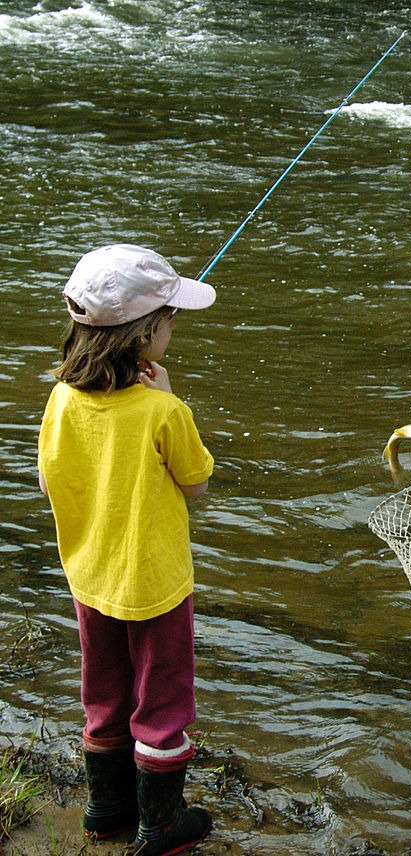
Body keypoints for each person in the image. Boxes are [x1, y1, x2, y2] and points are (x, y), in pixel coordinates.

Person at [37, 244, 216, 853]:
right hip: (157, 585)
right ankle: (161, 826)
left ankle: (105, 810)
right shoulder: (164, 409)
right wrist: (170, 398)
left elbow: (47, 480)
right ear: (145, 337)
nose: (172, 327)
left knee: (104, 692)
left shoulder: (61, 397)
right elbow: (197, 485)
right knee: (162, 706)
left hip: (90, 578)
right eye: (169, 318)